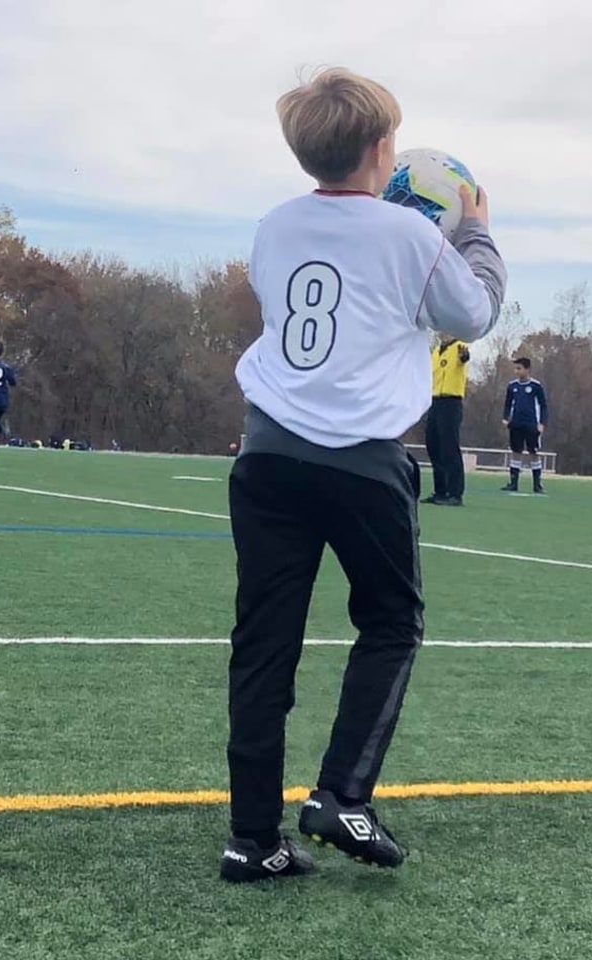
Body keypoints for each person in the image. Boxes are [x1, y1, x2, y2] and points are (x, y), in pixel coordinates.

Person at [220, 67, 507, 883]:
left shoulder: (273, 226)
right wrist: (474, 232)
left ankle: (251, 836)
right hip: (361, 459)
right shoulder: (412, 237)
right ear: (384, 150)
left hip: (268, 452)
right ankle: (343, 792)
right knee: (390, 622)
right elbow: (475, 313)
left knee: (262, 643)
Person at [422, 336, 470, 506]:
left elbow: (464, 358)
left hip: (451, 401)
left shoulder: (459, 346)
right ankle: (440, 491)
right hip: (434, 401)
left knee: (449, 446)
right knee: (433, 444)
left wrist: (464, 356)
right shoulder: (435, 352)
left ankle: (455, 493)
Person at [501, 357, 548, 493]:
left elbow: (543, 406)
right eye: (515, 368)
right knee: (516, 452)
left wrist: (542, 423)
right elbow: (508, 404)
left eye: (519, 368)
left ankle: (537, 485)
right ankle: (513, 483)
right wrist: (505, 418)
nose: (516, 371)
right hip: (516, 424)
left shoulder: (535, 386)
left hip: (531, 424)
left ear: (527, 369)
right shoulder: (512, 386)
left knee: (534, 452)